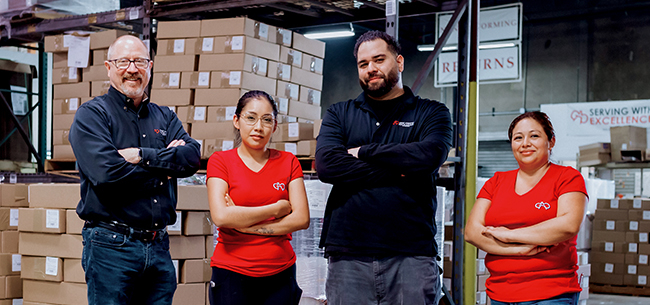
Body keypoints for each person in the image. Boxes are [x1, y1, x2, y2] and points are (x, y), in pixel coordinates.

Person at [315, 30, 453, 304]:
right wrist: (400, 168)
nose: (371, 69)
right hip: (348, 254)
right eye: (363, 64)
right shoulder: (339, 113)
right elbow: (327, 165)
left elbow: (430, 154)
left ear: (399, 62)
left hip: (410, 253)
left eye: (379, 60)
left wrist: (365, 152)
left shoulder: (431, 112)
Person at [69, 35, 201, 305]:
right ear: (108, 67)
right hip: (111, 245)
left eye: (139, 61)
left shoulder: (165, 117)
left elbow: (190, 158)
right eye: (123, 62)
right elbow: (107, 175)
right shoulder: (92, 115)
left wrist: (142, 156)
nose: (132, 69)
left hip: (159, 245)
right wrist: (165, 168)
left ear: (150, 67)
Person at [465, 111, 588, 305]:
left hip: (551, 293)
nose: (525, 143)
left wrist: (509, 235)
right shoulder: (496, 182)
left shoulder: (567, 177)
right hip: (499, 292)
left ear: (551, 141)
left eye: (534, 136)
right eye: (518, 138)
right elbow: (472, 232)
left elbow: (568, 225)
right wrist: (519, 251)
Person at [206, 90, 310, 305]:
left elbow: (301, 219)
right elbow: (222, 217)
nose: (259, 127)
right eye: (251, 118)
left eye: (267, 120)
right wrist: (276, 209)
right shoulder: (220, 161)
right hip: (231, 272)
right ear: (237, 120)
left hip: (281, 272)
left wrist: (244, 225)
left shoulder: (288, 162)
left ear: (275, 125)